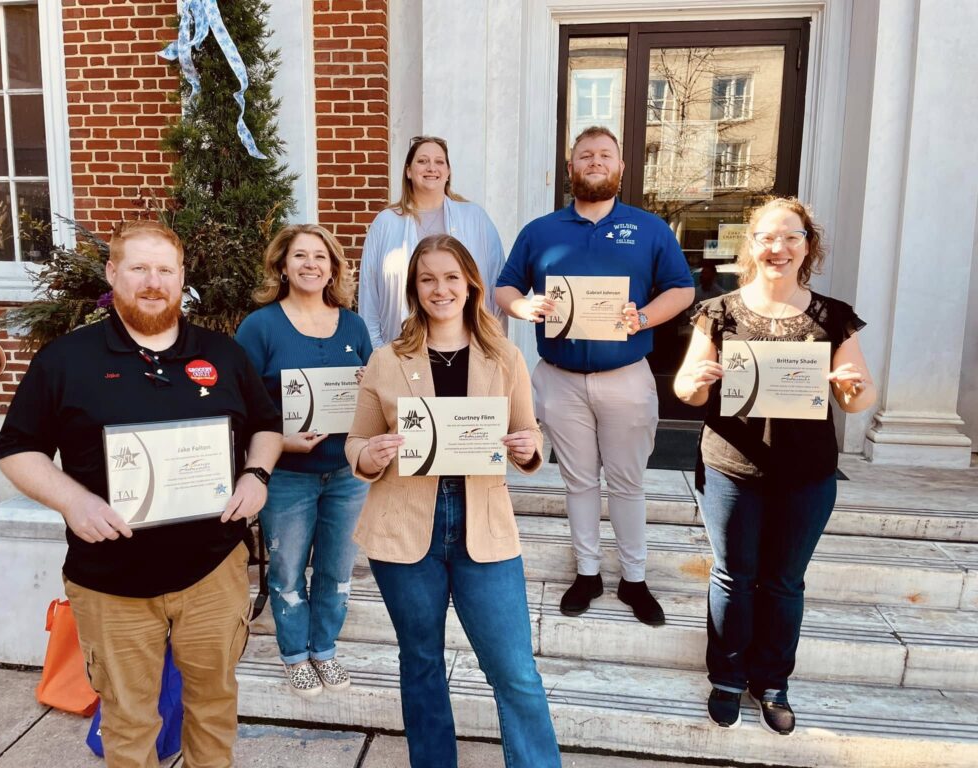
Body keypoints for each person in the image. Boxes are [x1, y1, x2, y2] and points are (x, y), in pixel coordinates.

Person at [0, 220, 283, 766]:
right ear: (112, 273)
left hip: (212, 571)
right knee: (128, 721)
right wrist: (73, 501)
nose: (154, 282)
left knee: (214, 705)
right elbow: (16, 448)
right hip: (111, 581)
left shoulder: (222, 354)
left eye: (165, 270)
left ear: (182, 278)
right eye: (140, 268)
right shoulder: (67, 359)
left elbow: (266, 425)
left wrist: (257, 475)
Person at [346, 234, 560, 767]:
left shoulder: (504, 356)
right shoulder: (387, 360)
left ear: (470, 285)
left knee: (515, 670)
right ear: (414, 290)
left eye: (450, 277)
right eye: (427, 279)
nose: (439, 289)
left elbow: (529, 434)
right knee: (421, 662)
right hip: (404, 527)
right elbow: (357, 442)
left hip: (482, 525)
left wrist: (529, 448)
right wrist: (370, 454)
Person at [673, 197, 876, 735]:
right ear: (751, 245)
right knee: (733, 577)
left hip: (806, 475)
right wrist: (695, 383)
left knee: (785, 583)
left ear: (808, 246)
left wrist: (851, 389)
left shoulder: (833, 316)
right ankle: (726, 677)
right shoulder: (719, 311)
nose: (778, 247)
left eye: (791, 236)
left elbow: (859, 399)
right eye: (767, 236)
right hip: (731, 468)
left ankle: (772, 682)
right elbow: (687, 390)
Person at [495, 126, 694, 624]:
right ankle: (587, 572)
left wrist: (642, 317)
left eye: (605, 154)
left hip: (625, 375)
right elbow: (504, 287)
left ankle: (634, 578)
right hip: (559, 378)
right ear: (571, 168)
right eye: (586, 155)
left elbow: (682, 289)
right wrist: (523, 306)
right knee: (578, 481)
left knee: (627, 482)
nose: (595, 161)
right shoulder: (540, 230)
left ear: (621, 167)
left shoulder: (649, 228)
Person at [235, 224, 372, 696]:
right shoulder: (260, 327)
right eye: (300, 256)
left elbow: (371, 398)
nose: (311, 264)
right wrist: (281, 443)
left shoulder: (353, 325)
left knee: (337, 570)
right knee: (288, 570)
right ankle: (295, 654)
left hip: (347, 474)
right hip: (288, 475)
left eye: (320, 256)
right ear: (282, 266)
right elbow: (241, 404)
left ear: (333, 268)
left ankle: (325, 649)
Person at [358, 134, 505, 348]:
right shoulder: (385, 223)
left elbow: (495, 284)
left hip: (466, 347)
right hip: (400, 347)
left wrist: (492, 345)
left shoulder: (475, 218)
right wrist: (377, 352)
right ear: (408, 171)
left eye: (439, 162)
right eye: (422, 161)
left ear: (448, 172)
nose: (431, 168)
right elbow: (369, 292)